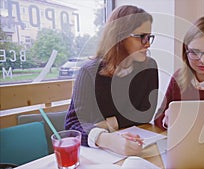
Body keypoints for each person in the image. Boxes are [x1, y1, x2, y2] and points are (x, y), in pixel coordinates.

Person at [65, 5, 158, 156]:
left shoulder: (149, 67)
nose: (147, 44)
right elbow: (72, 125)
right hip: (98, 154)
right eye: (141, 36)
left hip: (137, 145)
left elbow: (145, 114)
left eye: (149, 37)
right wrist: (108, 140)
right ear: (119, 37)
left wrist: (107, 124)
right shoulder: (89, 72)